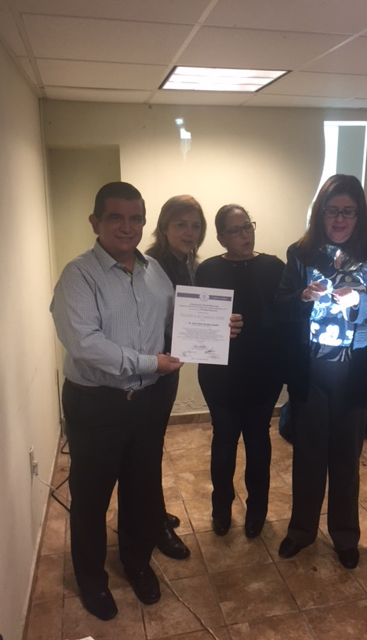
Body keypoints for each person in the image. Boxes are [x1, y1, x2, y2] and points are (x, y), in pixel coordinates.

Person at [50, 182, 184, 620]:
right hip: (96, 405)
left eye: (135, 218)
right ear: (96, 222)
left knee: (141, 489)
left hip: (146, 402)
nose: (127, 227)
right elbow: (85, 344)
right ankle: (92, 580)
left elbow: (173, 322)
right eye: (115, 217)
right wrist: (151, 363)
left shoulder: (154, 271)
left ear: (144, 223)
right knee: (91, 498)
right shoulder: (78, 275)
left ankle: (136, 562)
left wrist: (213, 330)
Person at [275, 174, 367, 569]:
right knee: (308, 456)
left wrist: (360, 300)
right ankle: (301, 531)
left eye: (349, 211)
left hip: (356, 370)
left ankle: (345, 535)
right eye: (332, 211)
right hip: (311, 369)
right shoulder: (301, 252)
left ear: (359, 214)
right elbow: (281, 303)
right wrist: (302, 295)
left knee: (347, 458)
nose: (340, 219)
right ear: (321, 213)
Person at [196, 204, 285, 539]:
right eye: (235, 230)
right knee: (224, 440)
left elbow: (285, 316)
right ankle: (221, 507)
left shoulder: (274, 267)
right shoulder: (207, 270)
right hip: (219, 373)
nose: (245, 235)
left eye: (248, 226)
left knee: (258, 440)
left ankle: (257, 510)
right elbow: (197, 320)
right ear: (221, 238)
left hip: (265, 369)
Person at [145, 195, 207, 560]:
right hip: (150, 370)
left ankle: (153, 511)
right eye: (181, 224)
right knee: (148, 450)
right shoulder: (152, 266)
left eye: (195, 226)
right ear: (164, 227)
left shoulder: (188, 264)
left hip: (169, 368)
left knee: (154, 445)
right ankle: (154, 525)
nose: (189, 232)